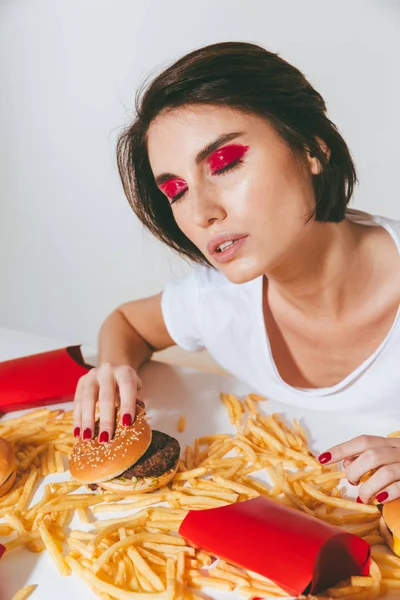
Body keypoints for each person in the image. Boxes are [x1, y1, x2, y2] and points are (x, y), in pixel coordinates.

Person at [73, 41, 400, 506]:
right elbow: (127, 323)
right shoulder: (215, 302)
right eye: (176, 190)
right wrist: (113, 369)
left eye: (225, 163)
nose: (203, 212)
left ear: (312, 148)